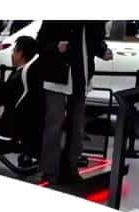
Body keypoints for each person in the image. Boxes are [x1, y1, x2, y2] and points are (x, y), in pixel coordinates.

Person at [36, 21, 112, 184]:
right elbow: (40, 43)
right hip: (57, 76)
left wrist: (103, 51)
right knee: (54, 124)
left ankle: (71, 167)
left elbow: (95, 41)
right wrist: (56, 46)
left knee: (76, 126)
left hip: (81, 76)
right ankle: (50, 170)